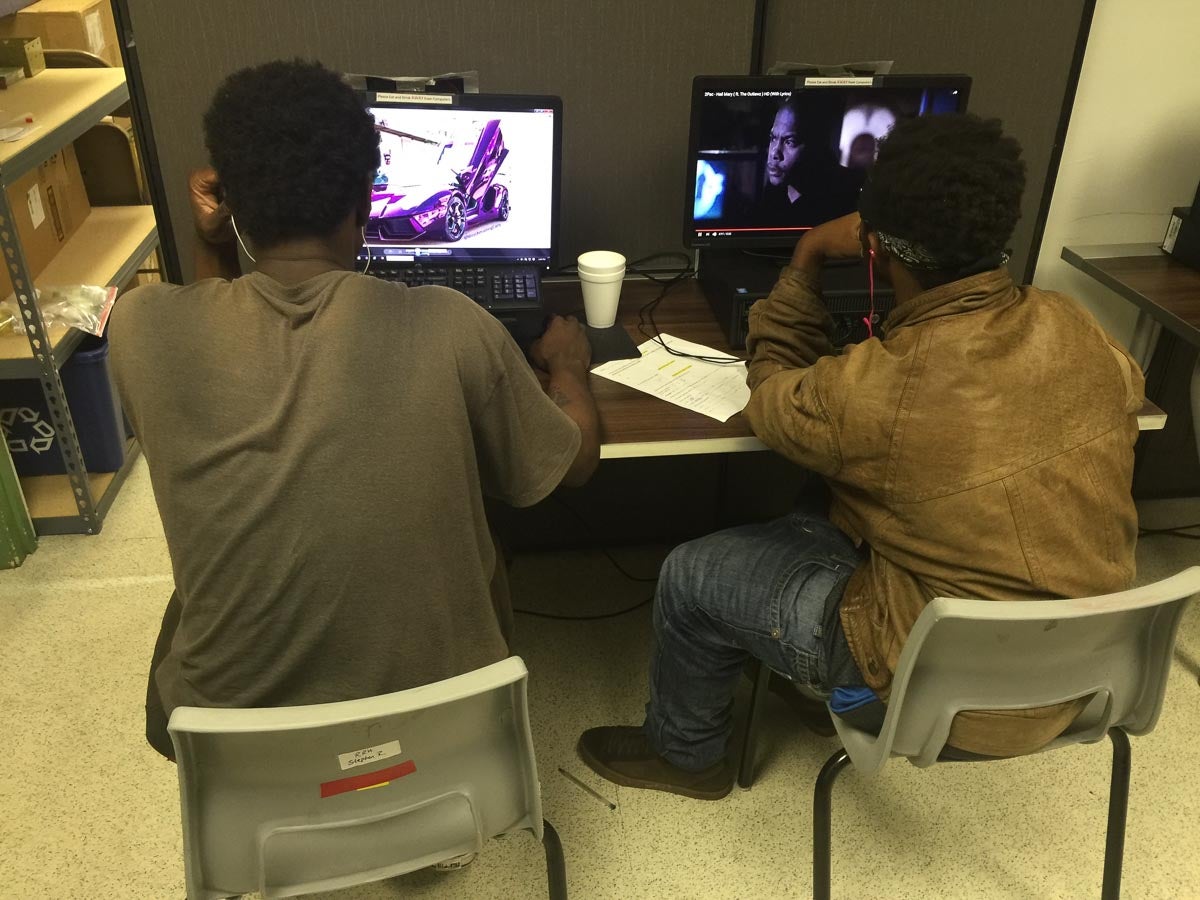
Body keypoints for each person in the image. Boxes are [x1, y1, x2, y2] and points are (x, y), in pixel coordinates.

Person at [578, 113, 1143, 800]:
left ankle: (687, 757)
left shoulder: (876, 391)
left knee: (690, 577)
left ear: (874, 246)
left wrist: (808, 256)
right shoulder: (1078, 326)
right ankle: (786, 670)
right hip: (1087, 670)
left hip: (934, 690)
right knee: (828, 499)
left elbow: (771, 398)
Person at [108, 60, 600, 762]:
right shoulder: (452, 325)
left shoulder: (139, 327)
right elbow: (576, 463)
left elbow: (203, 342)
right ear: (366, 203)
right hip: (447, 734)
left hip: (238, 762)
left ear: (232, 200)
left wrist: (215, 240)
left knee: (190, 604)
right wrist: (569, 367)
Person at [757, 94, 864, 228]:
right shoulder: (773, 193)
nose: (774, 153)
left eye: (789, 142)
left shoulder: (844, 197)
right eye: (773, 138)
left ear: (815, 145)